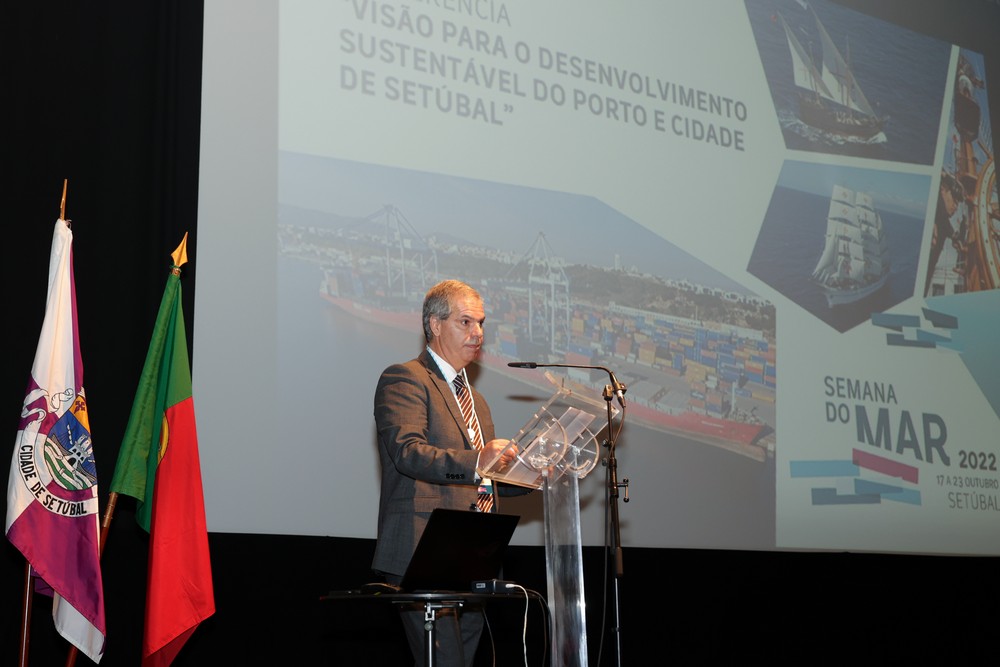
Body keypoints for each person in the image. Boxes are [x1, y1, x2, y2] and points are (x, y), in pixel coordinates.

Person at [372, 279, 524, 667]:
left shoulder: (479, 400)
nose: (479, 333)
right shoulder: (404, 378)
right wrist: (478, 460)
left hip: (475, 553)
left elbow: (485, 480)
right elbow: (409, 454)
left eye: (482, 322)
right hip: (426, 550)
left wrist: (531, 474)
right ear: (435, 325)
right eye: (466, 322)